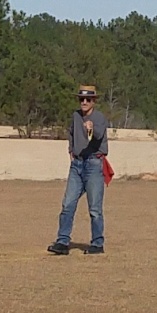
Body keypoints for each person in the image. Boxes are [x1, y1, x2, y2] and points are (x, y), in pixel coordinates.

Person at [47, 84, 109, 255]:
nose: (84, 102)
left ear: (94, 101)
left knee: (94, 208)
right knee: (68, 204)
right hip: (77, 164)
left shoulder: (99, 118)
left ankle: (97, 243)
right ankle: (62, 241)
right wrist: (70, 150)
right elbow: (71, 133)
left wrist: (91, 128)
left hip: (94, 164)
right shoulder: (75, 116)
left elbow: (98, 136)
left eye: (88, 99)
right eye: (82, 99)